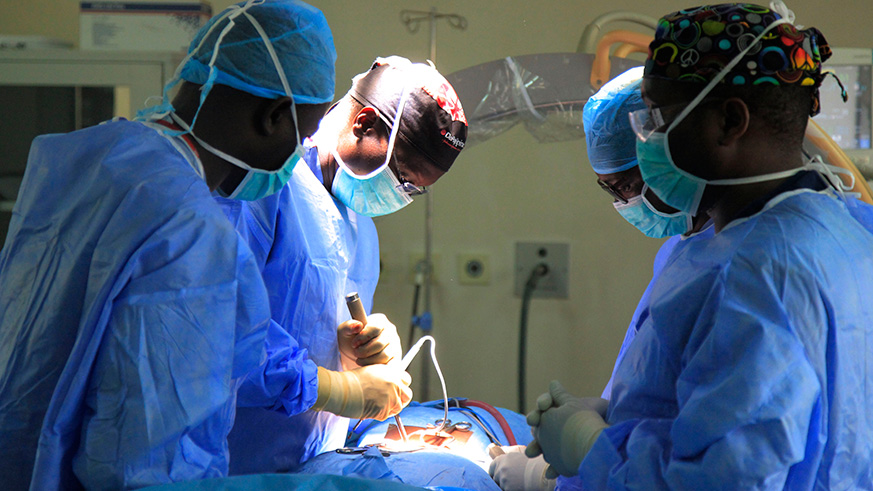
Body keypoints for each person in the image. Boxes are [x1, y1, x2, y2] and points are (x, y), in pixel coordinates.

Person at [0, 1, 407, 489]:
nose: (296, 157)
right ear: (273, 116)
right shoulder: (190, 228)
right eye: (301, 132)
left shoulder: (84, 158)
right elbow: (151, 461)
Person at [525, 3, 873, 489]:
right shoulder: (846, 229)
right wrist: (618, 418)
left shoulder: (755, 274)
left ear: (730, 121)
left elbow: (723, 479)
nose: (645, 135)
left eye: (657, 116)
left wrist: (592, 451)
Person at [217, 55, 468, 475]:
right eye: (403, 177)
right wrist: (335, 388)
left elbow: (309, 325)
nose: (403, 196)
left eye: (416, 192)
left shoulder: (359, 222)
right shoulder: (265, 188)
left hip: (314, 465)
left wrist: (359, 356)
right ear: (365, 123)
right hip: (234, 465)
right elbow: (218, 330)